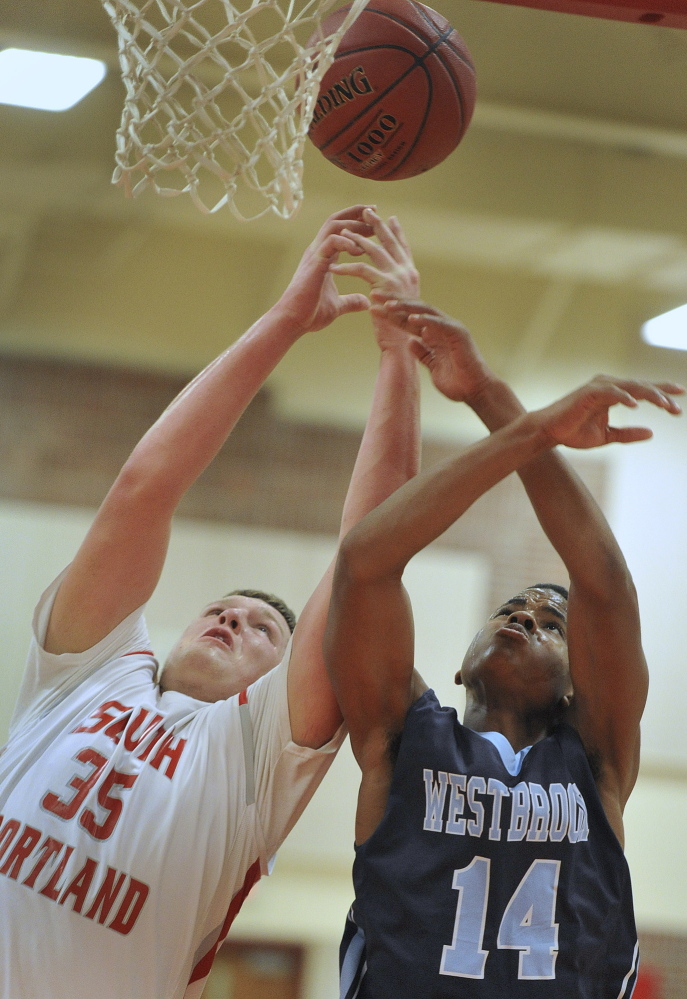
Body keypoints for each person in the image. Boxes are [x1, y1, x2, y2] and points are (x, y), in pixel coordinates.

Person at [0, 207, 423, 999]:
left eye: (262, 627)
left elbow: (367, 558)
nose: (232, 618)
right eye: (220, 610)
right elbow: (143, 488)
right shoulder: (80, 674)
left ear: (279, 678)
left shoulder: (257, 751)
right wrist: (283, 319)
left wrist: (398, 355)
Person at [323, 284, 684, 996]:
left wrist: (494, 396)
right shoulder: (401, 739)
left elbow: (604, 582)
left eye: (552, 624)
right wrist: (528, 429)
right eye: (511, 609)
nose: (523, 617)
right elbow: (364, 563)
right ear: (457, 670)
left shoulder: (595, 762)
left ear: (580, 682)